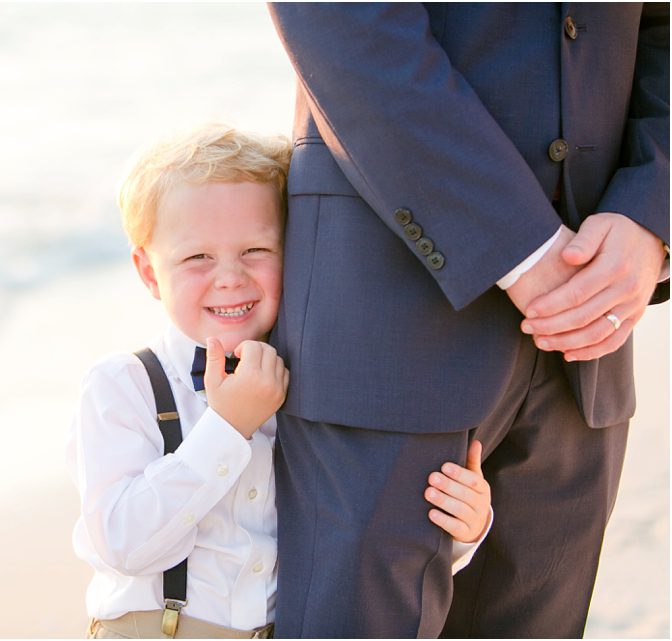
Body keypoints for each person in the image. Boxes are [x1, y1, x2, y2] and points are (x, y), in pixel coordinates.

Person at [266, 3, 669, 638]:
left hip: (590, 327)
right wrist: (520, 245)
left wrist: (652, 210)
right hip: (391, 310)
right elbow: (345, 23)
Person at [67, 124, 494, 639]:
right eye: (196, 257)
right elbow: (124, 544)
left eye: (256, 251)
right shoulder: (124, 386)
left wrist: (462, 534)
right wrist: (227, 428)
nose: (229, 277)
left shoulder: (320, 384)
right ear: (150, 272)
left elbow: (358, 545)